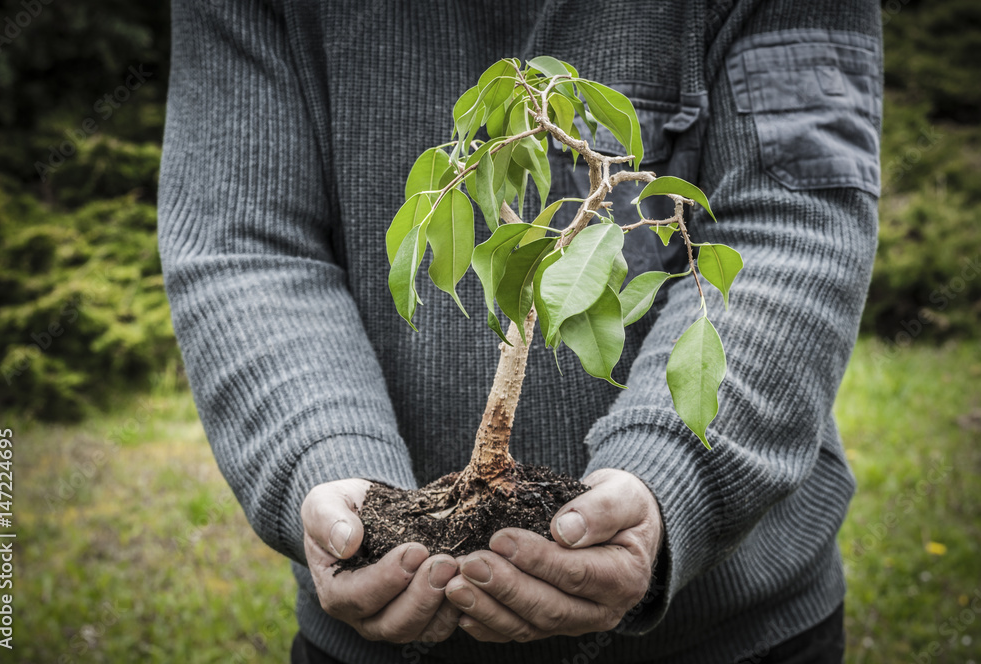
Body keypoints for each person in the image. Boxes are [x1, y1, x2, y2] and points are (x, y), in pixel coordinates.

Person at [158, 0, 882, 662]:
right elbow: (243, 239)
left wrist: (669, 476)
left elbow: (793, 221)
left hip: (732, 633)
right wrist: (323, 458)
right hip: (376, 641)